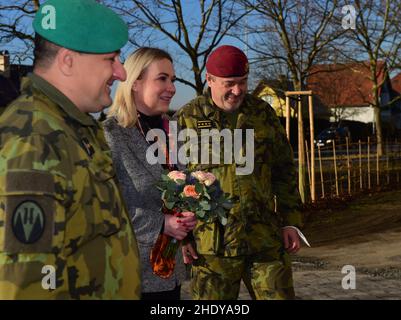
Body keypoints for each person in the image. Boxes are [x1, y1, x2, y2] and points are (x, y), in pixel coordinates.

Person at [0, 0, 140, 299]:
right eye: (110, 59)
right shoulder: (35, 141)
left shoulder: (68, 128)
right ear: (68, 61)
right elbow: (25, 286)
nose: (121, 73)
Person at [175, 45, 305, 300]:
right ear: (209, 80)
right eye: (230, 83)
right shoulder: (187, 118)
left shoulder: (262, 114)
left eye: (243, 82)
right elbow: (176, 182)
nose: (238, 91)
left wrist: (291, 221)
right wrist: (184, 236)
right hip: (212, 247)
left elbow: (284, 169)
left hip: (264, 239)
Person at [103, 47, 197, 300]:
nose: (172, 87)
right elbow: (102, 209)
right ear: (135, 83)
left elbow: (181, 190)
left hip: (171, 276)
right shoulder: (110, 136)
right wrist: (161, 224)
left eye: (173, 80)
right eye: (162, 78)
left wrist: (187, 219)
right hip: (128, 278)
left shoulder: (173, 132)